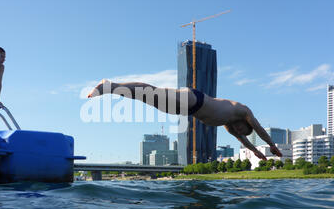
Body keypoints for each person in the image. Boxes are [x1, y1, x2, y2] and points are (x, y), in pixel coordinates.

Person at [87, 79, 282, 161]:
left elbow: (244, 141)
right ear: (245, 123)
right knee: (153, 93)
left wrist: (257, 152)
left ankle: (114, 90)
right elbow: (259, 130)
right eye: (243, 130)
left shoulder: (229, 126)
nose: (240, 133)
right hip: (194, 99)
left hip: (186, 109)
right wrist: (271, 145)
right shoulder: (241, 110)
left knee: (147, 98)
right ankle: (109, 86)